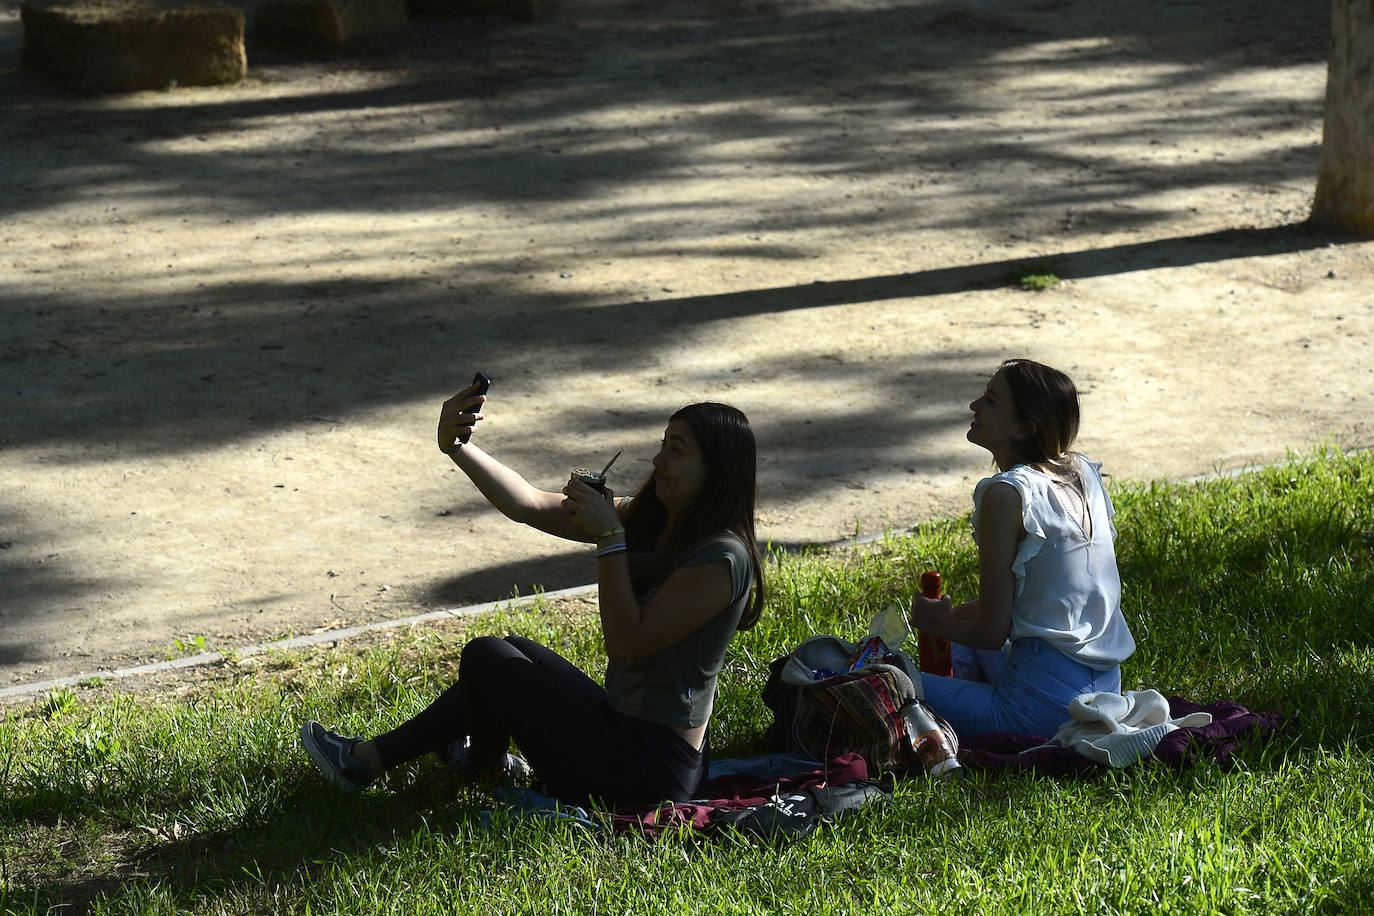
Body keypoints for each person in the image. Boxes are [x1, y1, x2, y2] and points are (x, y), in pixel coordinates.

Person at [300, 379, 767, 809]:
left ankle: (365, 760)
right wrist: (459, 448)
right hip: (622, 732)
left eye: (677, 451)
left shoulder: (721, 558)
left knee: (490, 660)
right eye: (663, 446)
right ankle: (486, 766)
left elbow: (627, 641)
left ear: (715, 471)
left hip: (650, 775)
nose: (658, 461)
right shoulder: (658, 519)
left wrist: (610, 539)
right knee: (509, 652)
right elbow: (528, 504)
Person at [908, 358, 1135, 739]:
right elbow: (1057, 590)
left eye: (991, 401)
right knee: (961, 645)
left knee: (884, 680)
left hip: (1039, 708)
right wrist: (961, 617)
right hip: (1104, 688)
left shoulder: (1007, 493)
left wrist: (933, 622)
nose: (974, 407)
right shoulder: (1081, 471)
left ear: (1022, 429)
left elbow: (991, 633)